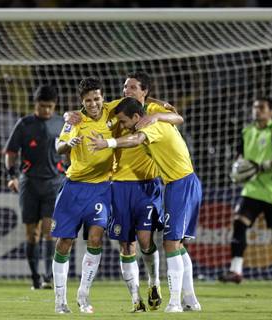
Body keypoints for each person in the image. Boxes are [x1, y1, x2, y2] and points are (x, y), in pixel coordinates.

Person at [66, 71, 183, 312]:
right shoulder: (113, 108)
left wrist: (160, 110)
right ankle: (135, 299)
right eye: (124, 88)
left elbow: (177, 117)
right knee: (126, 244)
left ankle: (154, 282)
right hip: (118, 185)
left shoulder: (151, 112)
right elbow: (86, 109)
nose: (125, 92)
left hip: (147, 184)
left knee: (145, 240)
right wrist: (69, 115)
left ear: (143, 92)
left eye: (131, 88)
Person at [88, 96, 202, 313]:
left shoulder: (152, 125)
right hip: (175, 184)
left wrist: (107, 143)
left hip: (181, 183)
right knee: (176, 244)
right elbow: (173, 115)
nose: (122, 126)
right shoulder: (154, 118)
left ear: (137, 117)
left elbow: (136, 140)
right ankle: (190, 300)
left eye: (124, 121)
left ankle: (175, 303)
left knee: (171, 243)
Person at [51, 77, 114, 314]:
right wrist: (70, 143)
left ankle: (83, 295)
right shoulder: (76, 120)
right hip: (74, 187)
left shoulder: (112, 111)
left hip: (101, 188)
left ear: (102, 97)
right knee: (64, 242)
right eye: (88, 100)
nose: (93, 104)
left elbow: (135, 102)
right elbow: (59, 146)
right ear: (82, 102)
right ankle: (60, 300)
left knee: (96, 239)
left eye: (96, 98)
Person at [219, 98, 272, 285]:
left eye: (261, 108)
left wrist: (265, 165)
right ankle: (235, 271)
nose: (257, 111)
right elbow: (240, 156)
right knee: (239, 223)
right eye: (254, 107)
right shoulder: (247, 131)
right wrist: (237, 169)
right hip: (252, 189)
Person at [4, 85, 65, 290]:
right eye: (42, 106)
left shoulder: (61, 124)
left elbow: (72, 149)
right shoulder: (24, 124)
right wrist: (11, 176)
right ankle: (35, 278)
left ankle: (49, 276)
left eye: (49, 106)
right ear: (35, 104)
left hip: (54, 183)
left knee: (51, 232)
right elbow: (10, 152)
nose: (46, 110)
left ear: (54, 106)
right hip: (29, 183)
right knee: (32, 234)